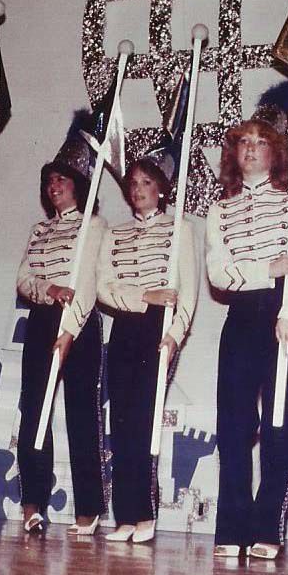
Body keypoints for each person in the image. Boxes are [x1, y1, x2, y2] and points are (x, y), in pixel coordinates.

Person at [205, 95, 288, 560]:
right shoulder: (220, 211)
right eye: (244, 142)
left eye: (261, 141)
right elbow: (219, 273)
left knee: (279, 423)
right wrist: (267, 269)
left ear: (276, 152)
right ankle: (231, 526)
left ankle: (267, 527)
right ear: (234, 153)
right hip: (242, 315)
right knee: (233, 425)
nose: (251, 149)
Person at [97, 155, 197, 543]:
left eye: (146, 183)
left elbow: (187, 291)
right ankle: (124, 516)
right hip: (125, 325)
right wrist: (143, 295)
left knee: (143, 421)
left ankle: (145, 514)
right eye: (134, 184)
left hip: (159, 327)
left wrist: (175, 334)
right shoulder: (115, 234)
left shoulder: (179, 229)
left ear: (161, 189)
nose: (138, 190)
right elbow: (104, 287)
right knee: (121, 421)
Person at [16, 121, 106, 535]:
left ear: (79, 186)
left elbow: (88, 282)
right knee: (33, 409)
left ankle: (88, 507)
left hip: (81, 323)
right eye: (50, 180)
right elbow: (23, 278)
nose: (54, 186)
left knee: (82, 413)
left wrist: (70, 327)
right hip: (41, 319)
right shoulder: (39, 230)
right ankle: (32, 502)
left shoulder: (94, 227)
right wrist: (47, 290)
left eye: (62, 180)